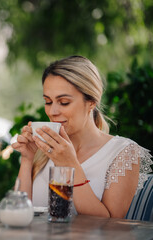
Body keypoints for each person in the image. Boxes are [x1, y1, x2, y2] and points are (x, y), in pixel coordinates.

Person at [12, 55, 152, 218]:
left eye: (64, 102)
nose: (52, 112)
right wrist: (27, 159)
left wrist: (70, 165)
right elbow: (18, 213)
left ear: (91, 101)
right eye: (48, 102)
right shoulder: (46, 149)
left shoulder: (123, 153)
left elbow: (111, 227)